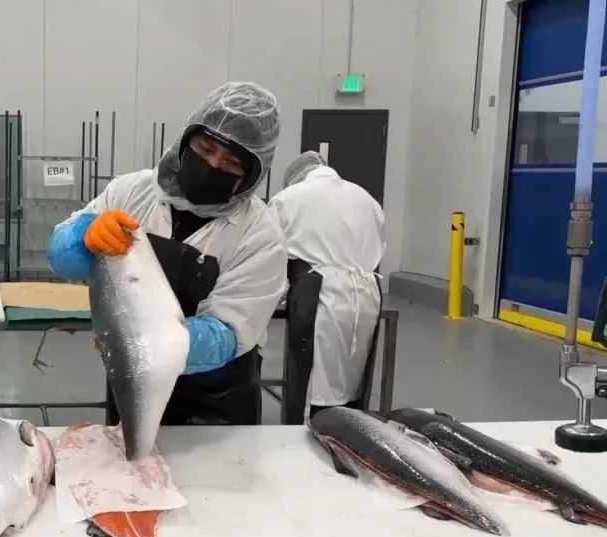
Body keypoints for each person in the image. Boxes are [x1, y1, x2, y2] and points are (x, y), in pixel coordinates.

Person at [48, 82, 286, 425]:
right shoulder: (132, 193)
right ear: (186, 140)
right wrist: (84, 236)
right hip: (132, 385)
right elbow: (61, 256)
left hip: (217, 403)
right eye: (205, 148)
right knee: (131, 455)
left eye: (231, 163)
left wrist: (143, 344)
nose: (212, 164)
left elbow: (228, 334)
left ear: (250, 176)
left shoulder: (260, 234)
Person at [270, 151, 384, 423]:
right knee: (353, 378)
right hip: (366, 295)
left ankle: (305, 434)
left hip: (317, 294)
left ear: (296, 178)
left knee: (312, 384)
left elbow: (269, 252)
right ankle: (347, 432)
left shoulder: (288, 198)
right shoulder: (367, 199)